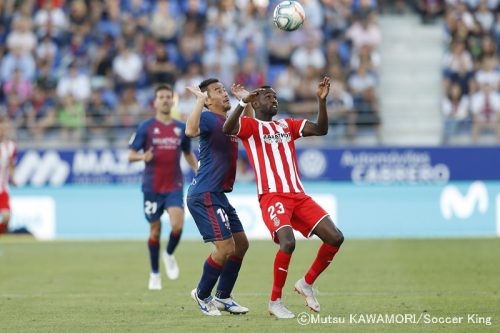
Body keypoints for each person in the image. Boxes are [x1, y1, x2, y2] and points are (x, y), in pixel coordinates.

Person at [223, 77, 344, 319]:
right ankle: (275, 301)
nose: (274, 99)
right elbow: (227, 129)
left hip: (298, 195)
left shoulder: (287, 126)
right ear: (255, 103)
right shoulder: (251, 127)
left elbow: (321, 129)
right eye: (268, 97)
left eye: (276, 97)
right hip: (272, 196)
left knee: (336, 238)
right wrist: (241, 103)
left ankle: (306, 283)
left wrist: (321, 101)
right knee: (288, 242)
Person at [184, 78, 254, 316]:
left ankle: (223, 296)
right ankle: (202, 295)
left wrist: (246, 101)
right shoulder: (206, 118)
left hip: (219, 195)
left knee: (241, 245)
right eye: (217, 91)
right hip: (204, 194)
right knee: (225, 248)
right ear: (208, 99)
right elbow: (190, 131)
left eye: (224, 89)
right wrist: (199, 101)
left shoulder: (229, 121)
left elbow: (251, 126)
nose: (224, 93)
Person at [128, 84, 198, 290]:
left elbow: (187, 152)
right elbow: (131, 155)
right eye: (161, 97)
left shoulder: (180, 128)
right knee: (155, 231)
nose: (165, 100)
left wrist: (197, 169)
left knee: (177, 225)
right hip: (151, 187)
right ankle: (155, 274)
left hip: (174, 185)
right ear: (156, 101)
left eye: (169, 96)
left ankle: (168, 254)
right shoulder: (146, 127)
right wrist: (142, 156)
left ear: (173, 100)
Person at [0, 120, 17, 235]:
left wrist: (13, 176)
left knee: (7, 216)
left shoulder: (11, 146)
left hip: (2, 187)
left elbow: (11, 163)